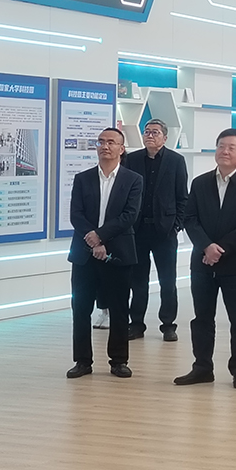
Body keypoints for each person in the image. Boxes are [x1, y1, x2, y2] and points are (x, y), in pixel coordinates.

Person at [175, 129, 236, 390]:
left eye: (231, 147)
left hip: (235, 264)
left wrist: (219, 248)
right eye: (221, 146)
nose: (225, 151)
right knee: (202, 318)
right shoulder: (200, 183)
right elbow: (190, 219)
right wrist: (206, 247)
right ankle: (202, 368)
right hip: (202, 263)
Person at [66, 127, 143, 379]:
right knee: (81, 308)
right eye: (101, 142)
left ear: (121, 148)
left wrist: (101, 236)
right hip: (84, 253)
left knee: (119, 309)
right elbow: (76, 214)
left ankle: (118, 361)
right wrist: (92, 239)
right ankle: (82, 361)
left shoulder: (133, 180)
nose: (105, 146)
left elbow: (129, 216)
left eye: (111, 142)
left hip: (118, 253)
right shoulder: (83, 178)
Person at [125, 119, 188, 342]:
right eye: (147, 131)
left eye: (155, 132)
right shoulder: (132, 159)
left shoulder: (176, 161)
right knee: (137, 281)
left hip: (165, 231)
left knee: (167, 281)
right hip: (138, 230)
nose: (150, 135)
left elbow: (182, 197)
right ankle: (136, 324)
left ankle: (168, 325)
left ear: (165, 137)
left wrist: (176, 225)